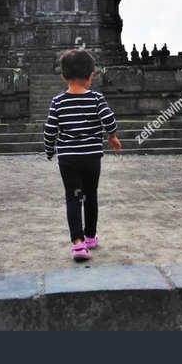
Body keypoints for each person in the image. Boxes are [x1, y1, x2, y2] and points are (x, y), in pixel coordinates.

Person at [43, 49, 121, 261]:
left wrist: (50, 150)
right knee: (91, 195)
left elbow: (50, 130)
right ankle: (90, 237)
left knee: (74, 197)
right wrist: (112, 137)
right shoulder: (96, 98)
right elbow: (109, 121)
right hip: (91, 157)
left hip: (68, 158)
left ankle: (77, 244)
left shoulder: (58, 101)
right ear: (90, 75)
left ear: (63, 76)